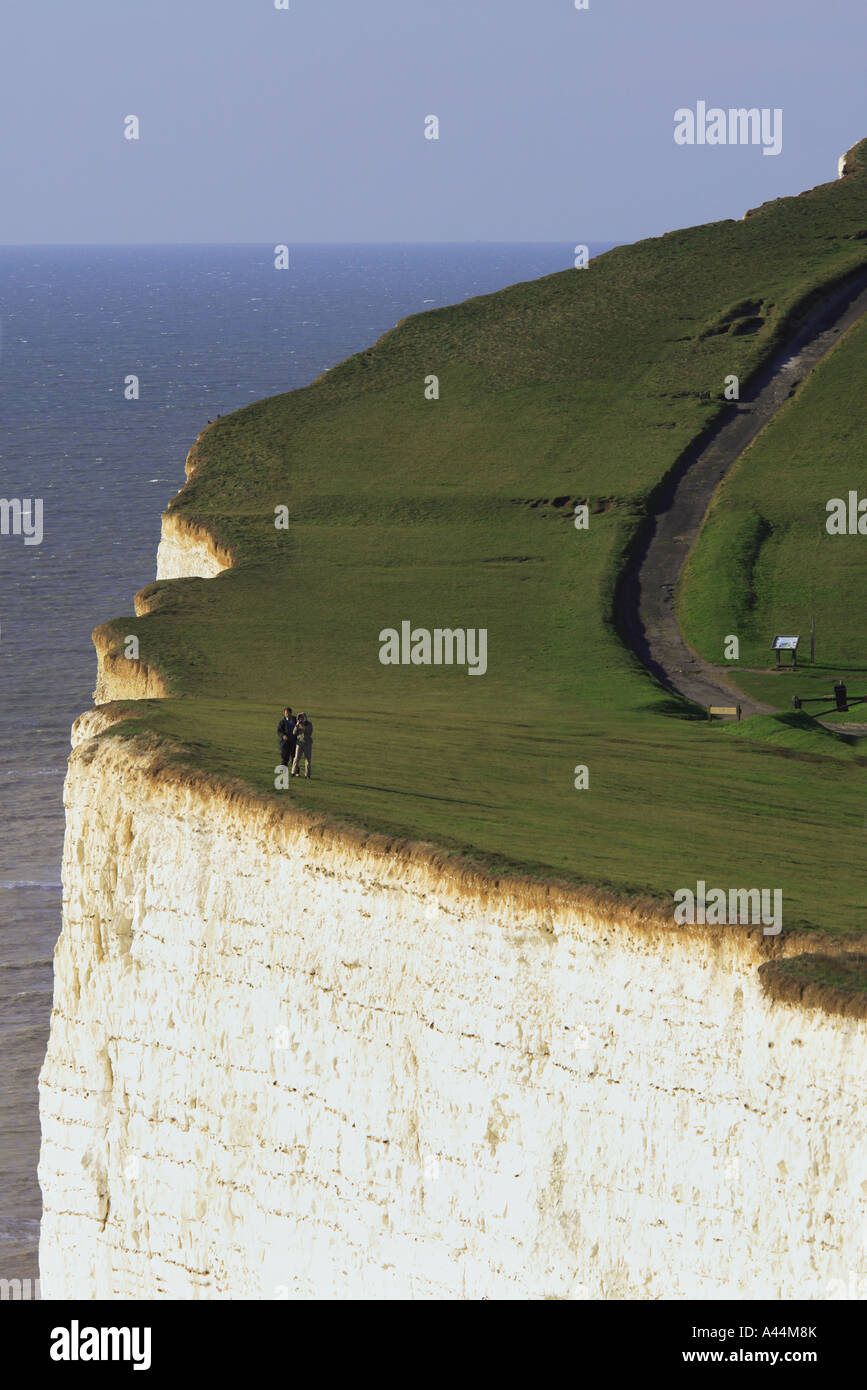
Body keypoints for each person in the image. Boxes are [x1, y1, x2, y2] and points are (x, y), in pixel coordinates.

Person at [291, 712, 313, 778]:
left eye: (302, 718)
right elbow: (294, 733)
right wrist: (296, 726)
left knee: (308, 760)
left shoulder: (309, 724)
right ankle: (293, 772)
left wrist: (303, 726)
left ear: (304, 718)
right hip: (299, 743)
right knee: (296, 758)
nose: (300, 719)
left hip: (307, 744)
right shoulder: (298, 724)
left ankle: (307, 775)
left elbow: (309, 733)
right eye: (299, 718)